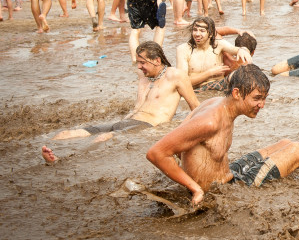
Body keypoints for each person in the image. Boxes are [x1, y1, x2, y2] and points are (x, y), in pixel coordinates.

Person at [146, 64, 299, 206]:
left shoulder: (215, 103)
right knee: (297, 151)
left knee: (285, 143)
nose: (262, 105)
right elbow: (156, 153)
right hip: (227, 189)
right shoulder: (210, 121)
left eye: (264, 99)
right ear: (237, 93)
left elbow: (183, 133)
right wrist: (195, 188)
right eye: (257, 99)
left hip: (228, 174)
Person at [42, 42, 199, 157]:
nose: (138, 67)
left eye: (142, 62)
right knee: (66, 133)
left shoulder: (175, 75)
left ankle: (63, 160)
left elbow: (196, 107)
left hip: (146, 125)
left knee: (104, 138)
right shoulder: (144, 77)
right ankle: (46, 149)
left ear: (157, 60)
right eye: (138, 62)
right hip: (123, 122)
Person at [176, 16, 252, 91]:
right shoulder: (183, 49)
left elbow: (238, 50)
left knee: (242, 74)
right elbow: (182, 82)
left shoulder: (218, 44)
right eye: (195, 30)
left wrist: (243, 49)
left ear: (211, 34)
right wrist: (210, 73)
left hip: (220, 84)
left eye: (202, 31)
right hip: (196, 89)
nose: (197, 34)